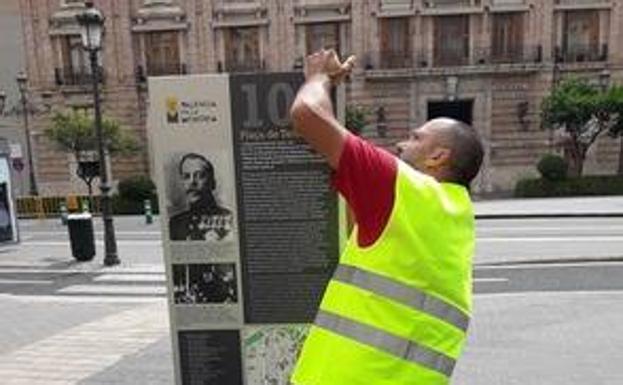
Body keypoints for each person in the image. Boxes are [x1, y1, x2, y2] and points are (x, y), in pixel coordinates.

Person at [289, 50, 484, 385]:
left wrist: (319, 77)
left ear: (438, 157)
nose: (400, 143)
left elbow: (306, 114)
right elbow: (359, 229)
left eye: (415, 138)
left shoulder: (406, 190)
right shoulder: (454, 215)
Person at [169, 153, 233, 241]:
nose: (192, 182)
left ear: (213, 183)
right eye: (186, 176)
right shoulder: (175, 224)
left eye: (199, 175)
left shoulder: (229, 218)